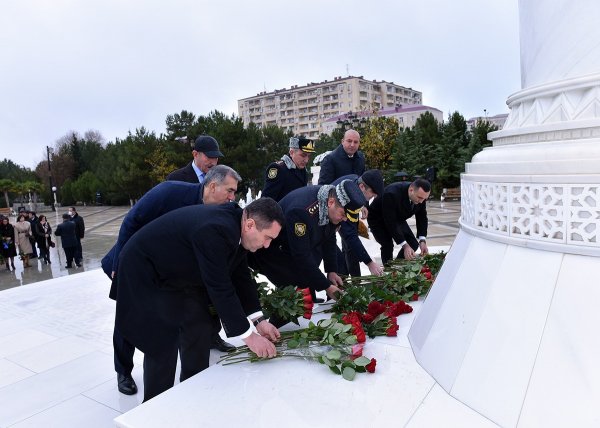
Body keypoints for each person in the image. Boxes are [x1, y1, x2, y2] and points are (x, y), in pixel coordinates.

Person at [114, 198, 284, 402]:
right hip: (146, 272)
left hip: (180, 274)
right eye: (267, 238)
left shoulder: (238, 228)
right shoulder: (215, 230)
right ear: (250, 225)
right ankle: (155, 407)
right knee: (162, 345)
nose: (267, 245)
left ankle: (192, 395)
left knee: (200, 328)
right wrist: (249, 337)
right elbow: (220, 287)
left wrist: (259, 320)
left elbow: (239, 275)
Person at [101, 164, 241, 395]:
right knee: (129, 318)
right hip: (132, 264)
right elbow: (131, 221)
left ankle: (207, 341)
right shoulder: (170, 191)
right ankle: (123, 370)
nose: (232, 197)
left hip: (166, 274)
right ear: (213, 186)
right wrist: (118, 266)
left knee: (185, 314)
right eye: (229, 191)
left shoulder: (218, 213)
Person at [250, 180, 367, 324]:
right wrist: (326, 286)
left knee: (307, 289)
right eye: (343, 214)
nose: (343, 219)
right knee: (298, 293)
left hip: (293, 247)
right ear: (331, 202)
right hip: (270, 249)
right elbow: (301, 256)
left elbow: (329, 237)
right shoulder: (301, 212)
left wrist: (331, 271)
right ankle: (270, 328)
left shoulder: (331, 202)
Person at [166, 137, 235, 354]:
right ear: (195, 154)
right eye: (209, 156)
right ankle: (185, 339)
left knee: (209, 293)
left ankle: (214, 335)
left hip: (209, 245)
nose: (213, 161)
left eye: (216, 157)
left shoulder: (222, 177)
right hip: (185, 248)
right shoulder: (176, 178)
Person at [331, 170, 385, 276]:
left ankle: (356, 279)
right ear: (361, 187)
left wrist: (363, 205)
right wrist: (369, 263)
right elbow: (350, 236)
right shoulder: (345, 200)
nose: (373, 197)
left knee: (350, 249)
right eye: (372, 194)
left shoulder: (357, 181)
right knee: (339, 263)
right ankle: (341, 286)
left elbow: (363, 195)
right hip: (324, 221)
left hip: (342, 211)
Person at [367, 178, 431, 264]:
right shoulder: (391, 193)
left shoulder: (421, 196)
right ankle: (388, 269)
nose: (421, 201)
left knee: (413, 243)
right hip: (377, 219)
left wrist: (422, 240)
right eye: (419, 198)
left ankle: (396, 265)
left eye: (424, 199)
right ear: (411, 190)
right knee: (387, 245)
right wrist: (404, 245)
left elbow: (422, 216)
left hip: (397, 217)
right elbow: (390, 222)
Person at [262, 136, 315, 202]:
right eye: (303, 155)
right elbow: (266, 201)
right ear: (292, 153)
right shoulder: (278, 169)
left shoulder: (302, 170)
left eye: (309, 156)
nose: (306, 160)